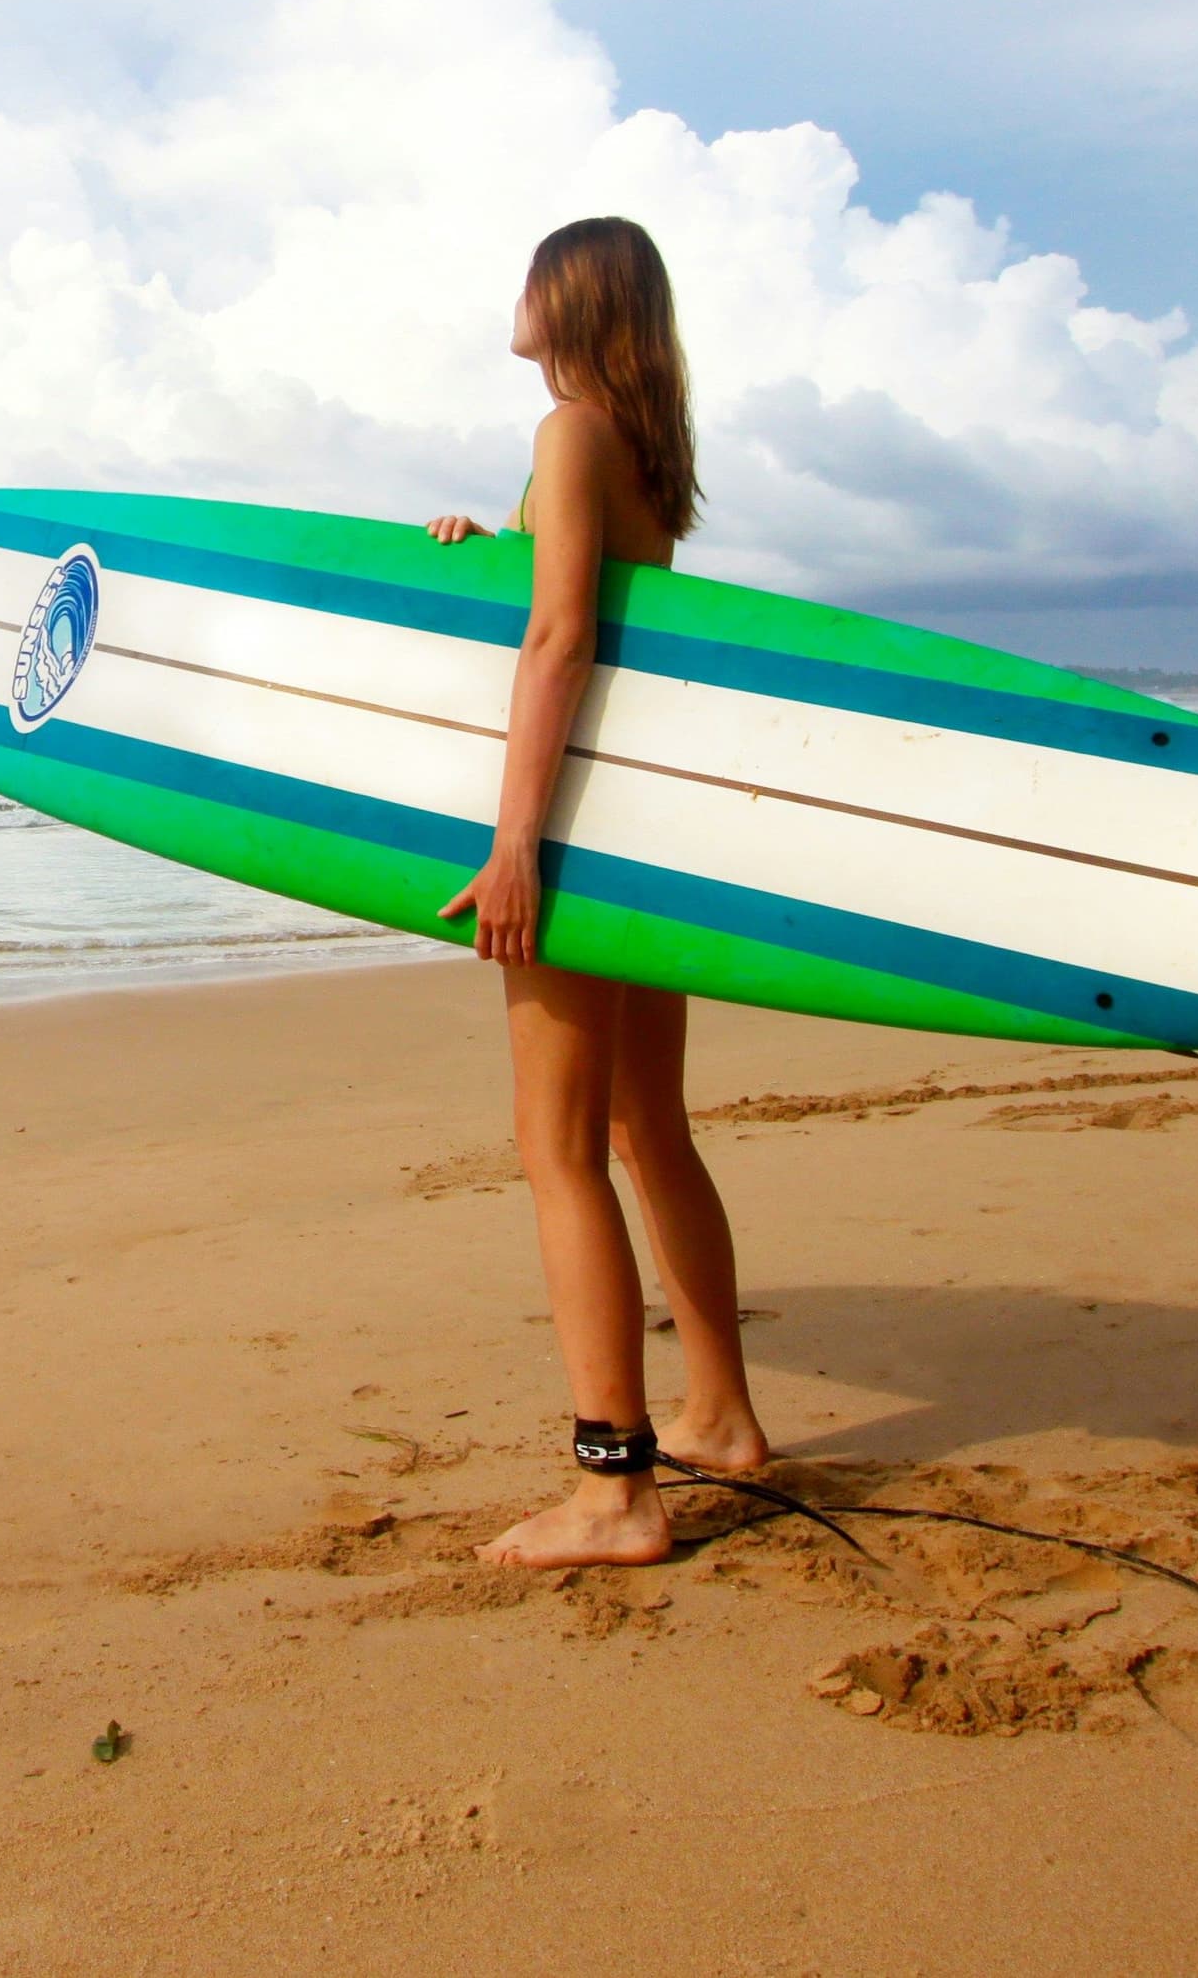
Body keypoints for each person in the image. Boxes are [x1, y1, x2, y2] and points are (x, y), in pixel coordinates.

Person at [425, 218, 773, 1568]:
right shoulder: (631, 447)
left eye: (526, 279)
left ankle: (616, 1489)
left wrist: (515, 847)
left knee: (559, 1149)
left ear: (566, 300)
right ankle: (723, 1417)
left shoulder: (569, 432)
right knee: (650, 1131)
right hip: (644, 833)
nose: (509, 301)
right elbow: (573, 603)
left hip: (568, 831)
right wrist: (480, 548)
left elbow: (563, 639)